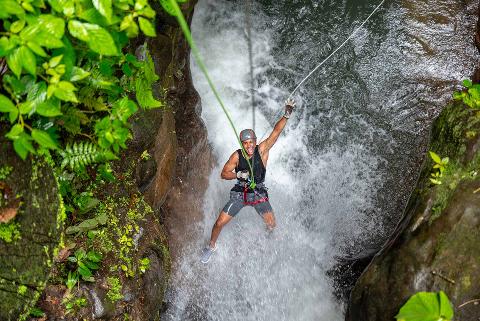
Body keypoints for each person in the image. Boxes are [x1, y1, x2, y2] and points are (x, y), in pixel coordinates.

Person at [201, 98, 296, 263]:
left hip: (258, 194)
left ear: (255, 141)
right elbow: (224, 173)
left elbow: (276, 132)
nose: (248, 146)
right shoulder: (237, 156)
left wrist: (286, 115)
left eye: (251, 142)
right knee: (218, 223)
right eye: (245, 143)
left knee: (272, 225)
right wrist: (238, 175)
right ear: (242, 144)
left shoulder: (263, 150)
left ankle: (268, 241)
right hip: (241, 194)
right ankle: (211, 247)